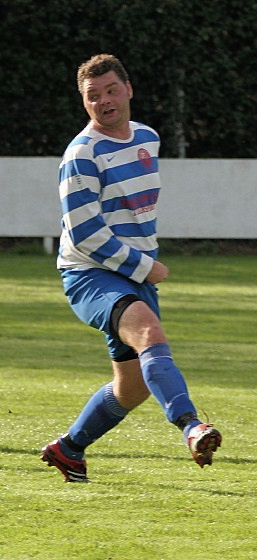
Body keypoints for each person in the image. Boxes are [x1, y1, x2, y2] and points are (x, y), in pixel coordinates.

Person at [40, 54, 221, 482]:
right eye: (93, 96)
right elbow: (85, 234)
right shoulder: (81, 155)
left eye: (111, 90)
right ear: (83, 102)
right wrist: (146, 266)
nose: (104, 101)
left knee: (134, 386)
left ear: (129, 89)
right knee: (149, 334)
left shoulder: (147, 138)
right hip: (90, 274)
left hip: (132, 272)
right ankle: (192, 427)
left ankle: (69, 449)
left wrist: (141, 264)